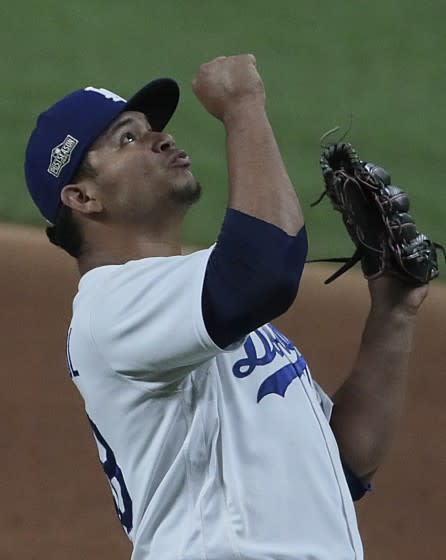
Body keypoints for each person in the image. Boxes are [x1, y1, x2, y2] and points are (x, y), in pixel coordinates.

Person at [24, 54, 428, 560]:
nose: (162, 139)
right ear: (82, 197)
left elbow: (342, 462)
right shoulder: (111, 307)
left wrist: (393, 310)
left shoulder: (202, 309)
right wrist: (243, 106)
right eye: (128, 138)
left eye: (152, 129)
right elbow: (264, 269)